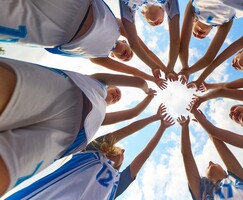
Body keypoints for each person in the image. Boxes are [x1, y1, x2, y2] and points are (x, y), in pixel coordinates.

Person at [0, 57, 157, 196]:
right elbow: (137, 82)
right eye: (116, 91)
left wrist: (151, 104)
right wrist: (146, 89)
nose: (116, 96)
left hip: (67, 140)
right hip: (69, 93)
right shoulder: (97, 84)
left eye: (117, 98)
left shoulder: (101, 118)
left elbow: (132, 114)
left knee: (8, 166)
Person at [0, 0, 167, 89]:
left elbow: (134, 73)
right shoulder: (118, 27)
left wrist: (152, 78)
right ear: (126, 41)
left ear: (114, 58)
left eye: (125, 58)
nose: (128, 55)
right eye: (131, 52)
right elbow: (142, 47)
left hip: (48, 33)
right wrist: (161, 67)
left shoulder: (99, 57)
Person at [5, 104, 174, 200]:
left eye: (122, 151)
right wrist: (155, 117)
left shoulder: (116, 184)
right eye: (120, 148)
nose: (123, 149)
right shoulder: (91, 153)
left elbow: (143, 156)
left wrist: (161, 128)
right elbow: (128, 129)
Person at [86, 0, 181, 81]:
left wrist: (155, 67)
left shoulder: (129, 4)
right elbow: (174, 41)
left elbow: (136, 45)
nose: (155, 22)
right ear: (163, 10)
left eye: (151, 23)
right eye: (161, 21)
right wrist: (169, 67)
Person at [178, 115, 243, 200]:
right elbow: (186, 154)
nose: (210, 162)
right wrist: (184, 126)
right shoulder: (203, 192)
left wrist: (204, 123)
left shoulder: (236, 178)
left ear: (225, 172)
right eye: (210, 164)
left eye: (214, 163)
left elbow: (219, 144)